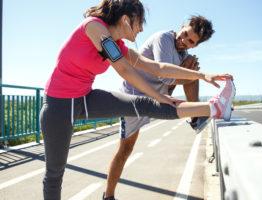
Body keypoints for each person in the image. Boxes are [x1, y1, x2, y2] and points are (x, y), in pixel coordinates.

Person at [39, 0, 234, 199]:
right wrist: (158, 94)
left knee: (146, 105)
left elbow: (157, 68)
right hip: (59, 104)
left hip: (85, 97)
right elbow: (123, 69)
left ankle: (215, 107)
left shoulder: (117, 45)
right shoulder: (94, 27)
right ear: (125, 20)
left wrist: (204, 76)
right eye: (140, 23)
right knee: (55, 174)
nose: (141, 29)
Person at [103, 15, 218, 199]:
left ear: (195, 45)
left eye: (191, 42)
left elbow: (171, 82)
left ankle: (196, 119)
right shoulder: (163, 38)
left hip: (155, 96)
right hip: (134, 96)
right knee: (125, 150)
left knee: (191, 68)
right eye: (185, 34)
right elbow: (164, 75)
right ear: (182, 26)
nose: (184, 41)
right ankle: (108, 196)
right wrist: (194, 75)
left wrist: (191, 73)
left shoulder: (184, 54)